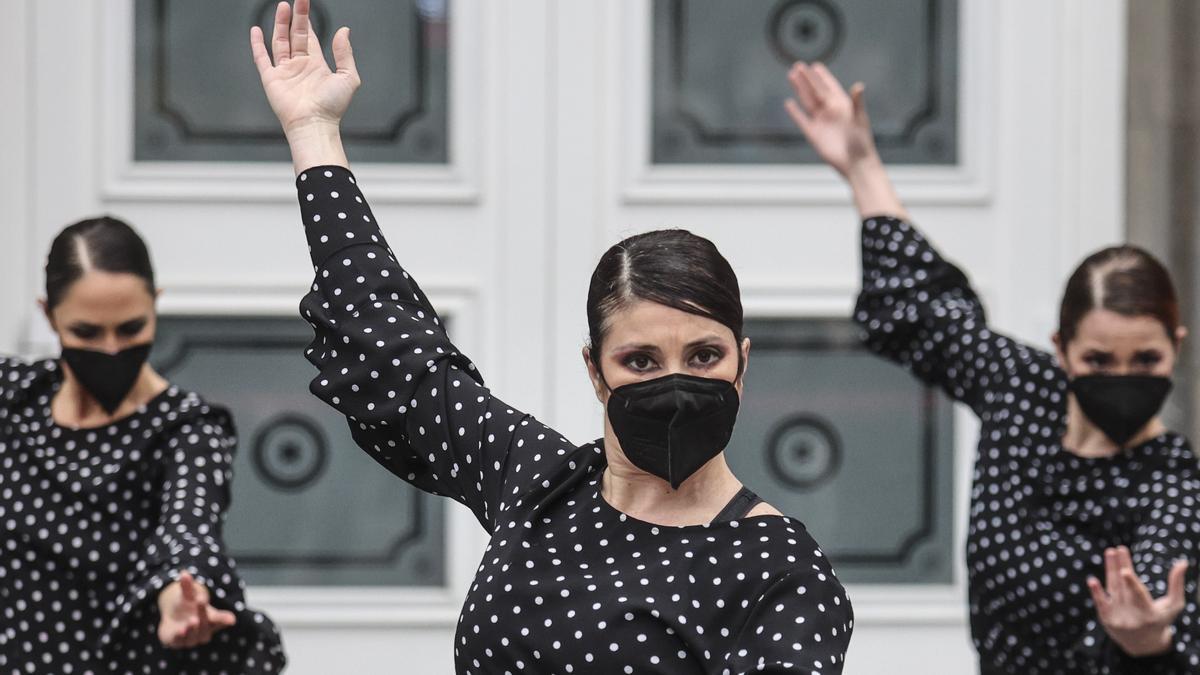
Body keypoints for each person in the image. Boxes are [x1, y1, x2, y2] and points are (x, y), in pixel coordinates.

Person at [250, 1, 853, 672]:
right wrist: (314, 135)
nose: (674, 382)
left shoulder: (780, 569)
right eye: (641, 359)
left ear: (742, 363)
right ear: (595, 371)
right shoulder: (542, 481)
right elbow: (393, 354)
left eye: (703, 354)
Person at [783, 62, 1200, 673]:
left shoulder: (1173, 483)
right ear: (1061, 349)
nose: (1122, 376)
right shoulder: (1025, 390)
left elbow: (1169, 621)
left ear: (1176, 348)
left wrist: (1148, 644)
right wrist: (862, 166)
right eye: (1098, 359)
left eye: (1145, 360)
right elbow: (922, 308)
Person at [0, 216, 286, 672]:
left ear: (156, 306)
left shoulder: (186, 430)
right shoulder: (13, 398)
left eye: (131, 328)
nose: (112, 350)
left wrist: (180, 594)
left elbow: (189, 528)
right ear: (49, 315)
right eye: (87, 333)